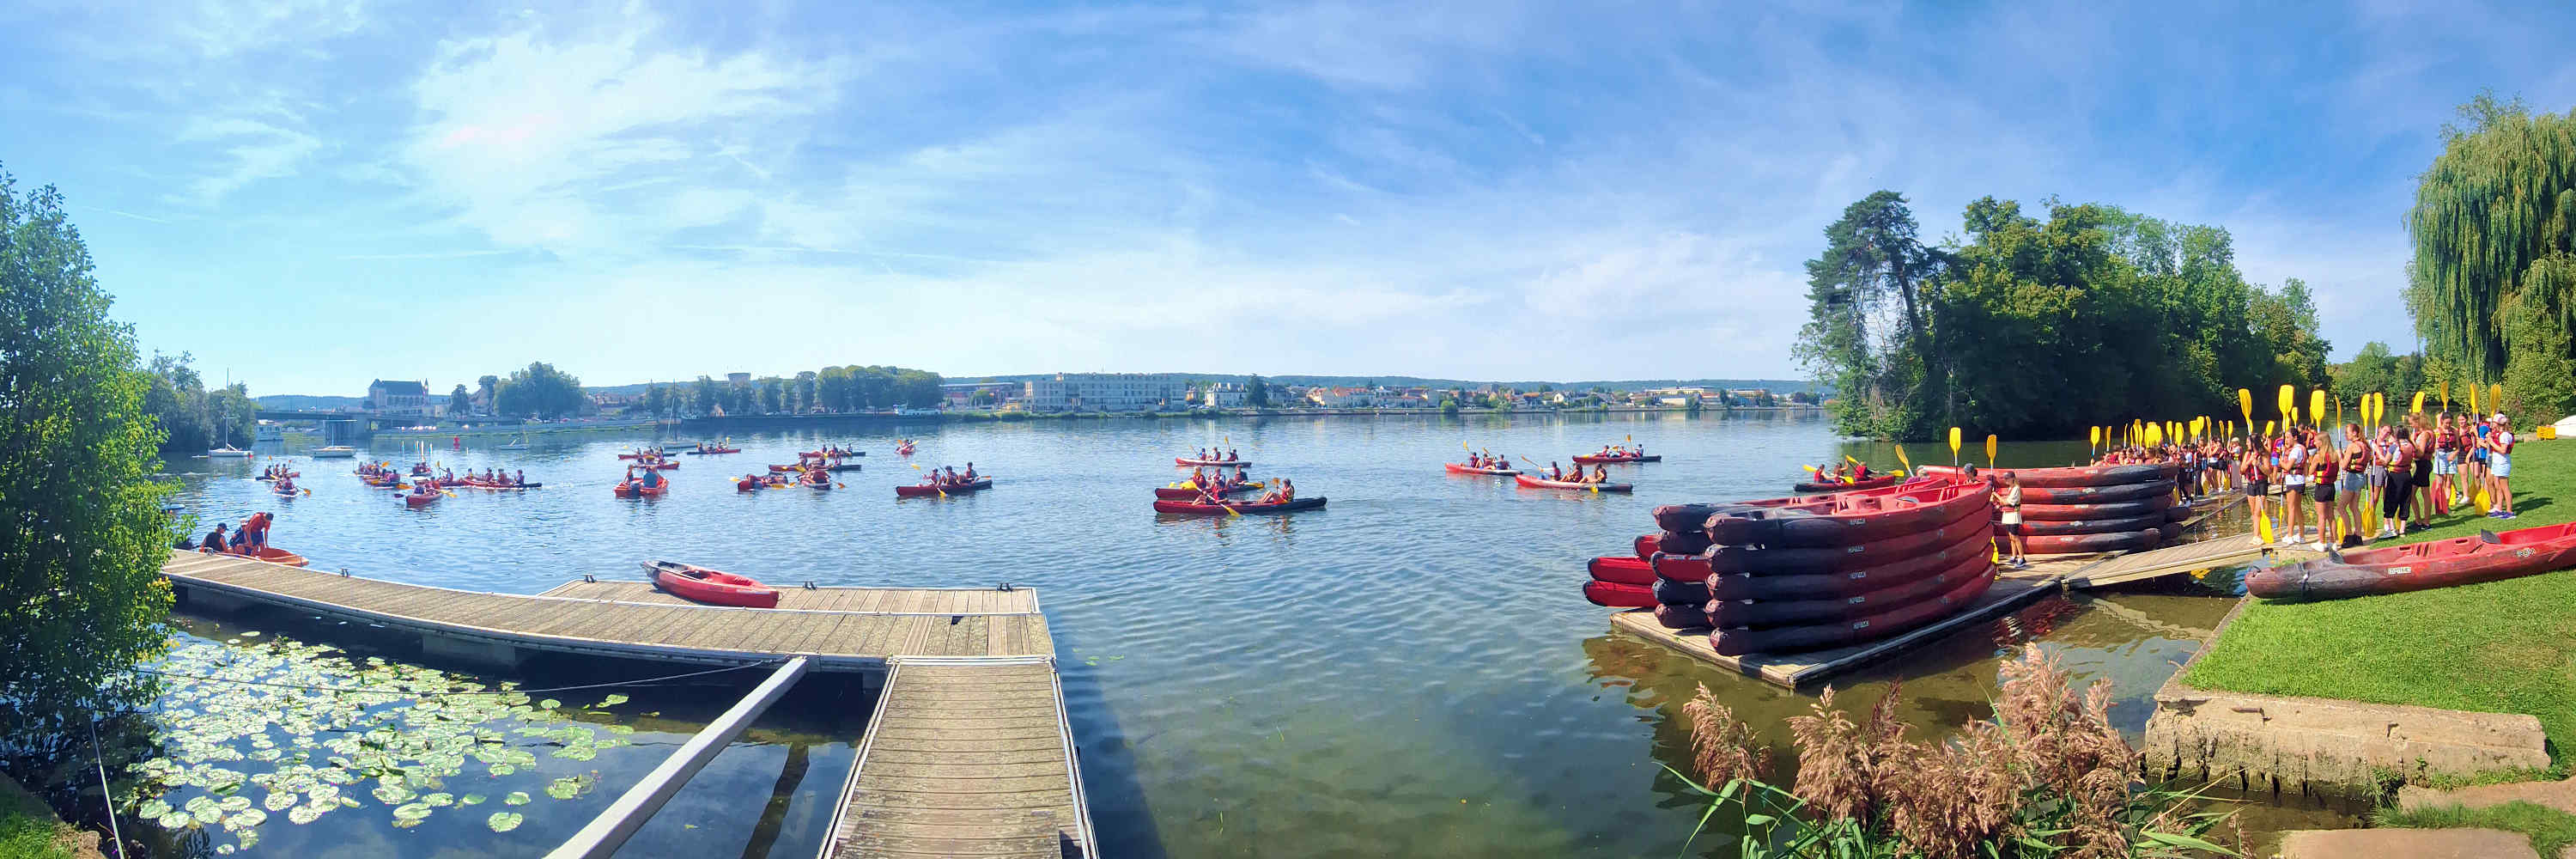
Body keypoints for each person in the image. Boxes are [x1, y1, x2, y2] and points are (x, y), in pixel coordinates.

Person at [2488, 414, 2517, 519]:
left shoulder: (2505, 435)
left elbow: (2503, 450)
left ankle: (2509, 511)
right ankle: (2499, 508)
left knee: (2505, 487)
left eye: (2494, 422)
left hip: (2502, 463)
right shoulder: (2499, 434)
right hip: (2497, 463)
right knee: (2498, 487)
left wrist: (2491, 442)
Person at [1995, 473, 2026, 567]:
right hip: (2008, 515)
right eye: (2005, 478)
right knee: (2011, 538)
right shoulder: (2010, 489)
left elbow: (2007, 502)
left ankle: (2022, 558)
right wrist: (1998, 501)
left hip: (2013, 515)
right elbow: (2004, 501)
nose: (2005, 480)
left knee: (2015, 537)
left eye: (2007, 478)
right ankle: (2014, 556)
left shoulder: (2016, 488)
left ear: (2013, 478)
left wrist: (1996, 495)